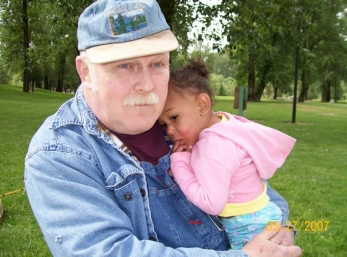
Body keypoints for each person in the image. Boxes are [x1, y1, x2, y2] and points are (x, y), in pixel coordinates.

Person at [24, 0, 302, 256]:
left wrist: (280, 234)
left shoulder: (186, 121)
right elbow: (105, 251)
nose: (146, 84)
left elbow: (255, 190)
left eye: (157, 63)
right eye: (124, 65)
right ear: (85, 71)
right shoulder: (58, 153)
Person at [158, 58, 296, 250]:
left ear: (202, 105)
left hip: (248, 230)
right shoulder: (227, 126)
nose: (170, 131)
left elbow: (211, 203)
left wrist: (179, 163)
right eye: (164, 124)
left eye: (174, 117)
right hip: (265, 216)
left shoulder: (212, 148)